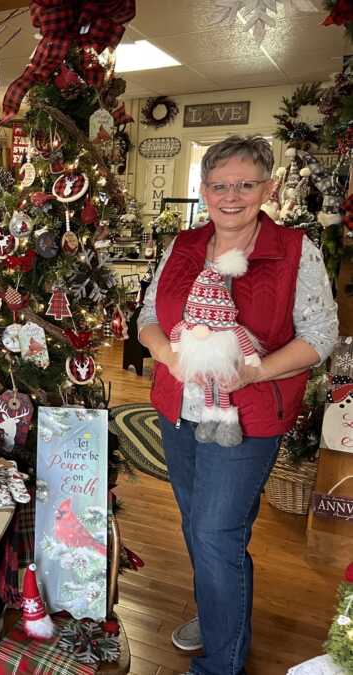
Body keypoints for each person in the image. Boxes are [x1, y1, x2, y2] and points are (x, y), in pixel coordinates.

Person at [138, 135, 338, 675]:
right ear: (203, 190)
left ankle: (221, 663)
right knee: (199, 526)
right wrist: (166, 355)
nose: (232, 196)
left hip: (248, 417)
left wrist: (254, 370)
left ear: (267, 188)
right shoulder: (183, 246)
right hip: (180, 409)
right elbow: (148, 319)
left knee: (214, 532)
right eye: (220, 185)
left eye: (246, 184)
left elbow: (320, 336)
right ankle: (220, 613)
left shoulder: (296, 250)